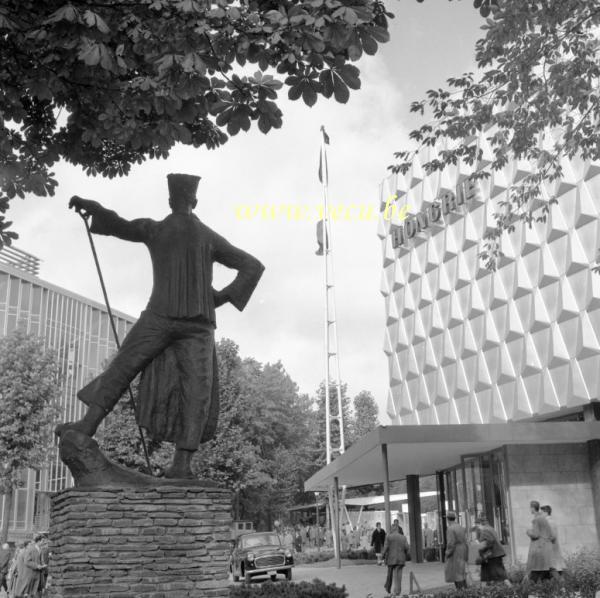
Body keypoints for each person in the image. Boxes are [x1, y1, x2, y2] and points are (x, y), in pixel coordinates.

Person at [56, 174, 264, 479]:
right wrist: (217, 299)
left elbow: (119, 225)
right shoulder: (208, 236)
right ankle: (182, 464)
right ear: (194, 201)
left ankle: (88, 424)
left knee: (123, 367)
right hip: (196, 324)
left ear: (171, 201)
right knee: (197, 391)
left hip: (162, 317)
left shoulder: (156, 228)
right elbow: (252, 265)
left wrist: (94, 209)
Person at [526, 500, 554, 583]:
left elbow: (536, 535)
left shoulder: (536, 519)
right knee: (545, 575)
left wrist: (528, 532)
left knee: (534, 574)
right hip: (545, 549)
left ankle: (527, 593)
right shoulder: (543, 519)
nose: (530, 510)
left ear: (532, 508)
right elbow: (550, 534)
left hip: (539, 550)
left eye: (530, 508)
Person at [476, 516, 507, 584]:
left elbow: (490, 541)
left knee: (500, 575)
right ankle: (488, 590)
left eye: (477, 525)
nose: (477, 527)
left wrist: (482, 547)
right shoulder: (490, 528)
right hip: (494, 555)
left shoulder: (485, 530)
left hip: (492, 555)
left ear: (480, 524)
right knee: (488, 576)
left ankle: (511, 589)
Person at [382, 523, 410, 598]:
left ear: (393, 529)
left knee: (395, 574)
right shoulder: (403, 537)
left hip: (392, 559)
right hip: (401, 559)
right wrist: (406, 554)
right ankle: (398, 590)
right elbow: (407, 548)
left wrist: (383, 555)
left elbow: (385, 547)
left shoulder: (389, 537)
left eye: (391, 528)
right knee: (399, 574)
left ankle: (396, 591)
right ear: (397, 529)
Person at [444, 512, 468, 589]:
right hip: (462, 550)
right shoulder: (460, 527)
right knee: (461, 572)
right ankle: (466, 590)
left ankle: (461, 592)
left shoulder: (450, 528)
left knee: (456, 573)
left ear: (448, 519)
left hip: (455, 552)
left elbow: (451, 543)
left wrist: (447, 553)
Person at [541, 505, 564, 579]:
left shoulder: (549, 522)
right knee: (548, 571)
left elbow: (553, 536)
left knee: (552, 569)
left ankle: (563, 586)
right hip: (551, 549)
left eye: (542, 513)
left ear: (546, 512)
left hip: (550, 549)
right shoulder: (549, 521)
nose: (541, 515)